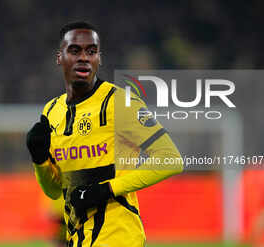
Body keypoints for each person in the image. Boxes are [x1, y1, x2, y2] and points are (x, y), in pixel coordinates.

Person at [26, 21, 183, 247]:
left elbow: (171, 160)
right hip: (78, 239)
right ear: (59, 57)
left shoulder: (120, 102)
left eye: (91, 52)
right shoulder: (52, 112)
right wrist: (39, 161)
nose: (84, 58)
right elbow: (53, 191)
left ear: (99, 59)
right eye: (74, 50)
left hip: (119, 239)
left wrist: (106, 189)